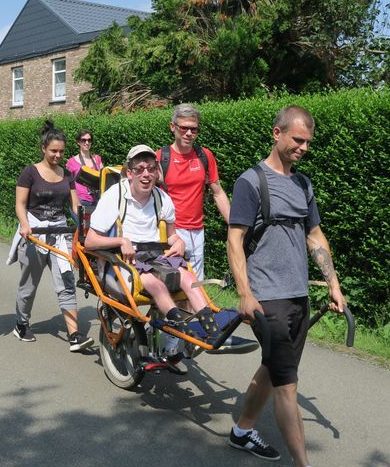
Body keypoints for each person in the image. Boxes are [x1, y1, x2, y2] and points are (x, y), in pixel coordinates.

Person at [226, 106, 347, 466]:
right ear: (277, 133)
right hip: (268, 300)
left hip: (298, 296)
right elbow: (235, 240)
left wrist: (333, 284)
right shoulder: (251, 182)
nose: (304, 147)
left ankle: (242, 430)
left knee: (273, 367)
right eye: (298, 140)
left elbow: (315, 236)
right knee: (287, 386)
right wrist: (246, 294)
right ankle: (303, 464)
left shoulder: (302, 184)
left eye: (308, 142)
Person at [84, 145, 234, 363]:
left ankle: (212, 330)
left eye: (151, 169)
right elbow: (90, 240)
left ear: (156, 172)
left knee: (188, 277)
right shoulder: (114, 197)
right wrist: (120, 241)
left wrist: (179, 242)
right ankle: (181, 329)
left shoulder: (161, 198)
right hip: (125, 258)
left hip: (155, 254)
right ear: (129, 173)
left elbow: (172, 236)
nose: (146, 174)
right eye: (140, 169)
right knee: (156, 285)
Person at [8, 120, 94, 352]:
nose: (58, 155)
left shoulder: (67, 175)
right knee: (29, 285)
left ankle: (74, 335)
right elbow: (20, 204)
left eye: (62, 151)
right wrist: (25, 225)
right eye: (54, 151)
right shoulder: (30, 173)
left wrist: (86, 227)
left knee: (66, 283)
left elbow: (76, 206)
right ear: (44, 148)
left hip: (59, 234)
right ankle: (21, 323)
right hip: (34, 233)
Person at [155, 103, 230, 281]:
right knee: (174, 284)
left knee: (197, 284)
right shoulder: (160, 158)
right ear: (173, 127)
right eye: (184, 128)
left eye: (194, 129)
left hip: (197, 232)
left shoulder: (205, 156)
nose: (189, 133)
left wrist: (234, 224)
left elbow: (218, 193)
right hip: (170, 231)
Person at [65, 130, 103, 208]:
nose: (87, 142)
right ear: (78, 142)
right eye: (83, 140)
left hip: (97, 200)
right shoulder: (71, 162)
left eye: (89, 140)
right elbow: (67, 184)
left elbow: (103, 179)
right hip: (80, 201)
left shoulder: (97, 159)